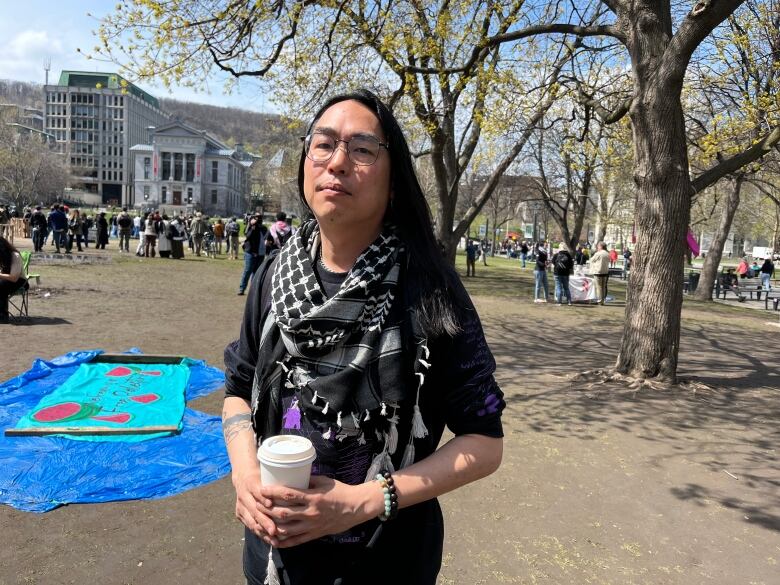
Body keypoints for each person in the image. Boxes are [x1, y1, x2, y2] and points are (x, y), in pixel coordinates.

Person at [222, 89, 504, 585]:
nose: (337, 163)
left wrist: (363, 501)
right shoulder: (271, 278)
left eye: (362, 149)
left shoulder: (430, 290)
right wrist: (246, 477)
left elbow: (484, 442)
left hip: (388, 562)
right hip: (275, 558)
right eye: (323, 145)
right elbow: (238, 392)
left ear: (393, 181)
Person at [237, 214, 267, 295]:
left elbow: (266, 237)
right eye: (256, 218)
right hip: (250, 252)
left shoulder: (263, 228)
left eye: (260, 218)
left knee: (256, 272)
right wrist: (251, 225)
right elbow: (248, 235)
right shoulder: (251, 227)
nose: (258, 219)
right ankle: (242, 289)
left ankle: (253, 291)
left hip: (260, 253)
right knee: (247, 270)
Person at [0, 236, 26, 323]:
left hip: (19, 281)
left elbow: (14, 278)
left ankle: (3, 315)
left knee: (1, 285)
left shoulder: (15, 256)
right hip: (4, 280)